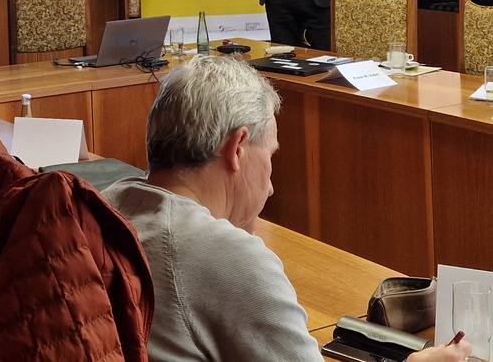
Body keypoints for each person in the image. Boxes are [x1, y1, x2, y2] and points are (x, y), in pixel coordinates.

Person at [103, 55, 472, 362]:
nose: (271, 185)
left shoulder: (108, 202)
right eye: (271, 155)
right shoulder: (224, 256)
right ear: (237, 148)